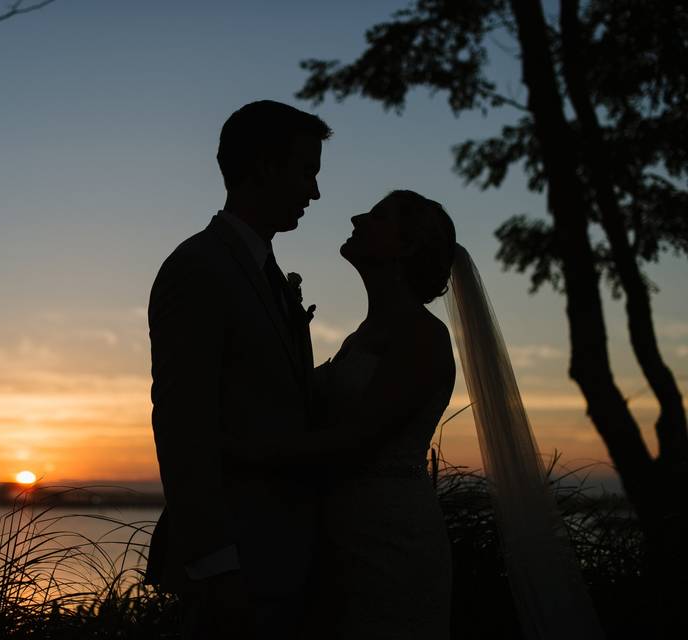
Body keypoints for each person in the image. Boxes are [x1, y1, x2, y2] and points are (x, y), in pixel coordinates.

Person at [228, 189, 604, 639]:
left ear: (406, 247)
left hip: (389, 541)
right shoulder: (361, 336)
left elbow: (356, 439)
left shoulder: (423, 338)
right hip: (337, 537)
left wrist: (243, 451)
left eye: (379, 215)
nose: (357, 215)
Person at [144, 100, 331, 639]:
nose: (314, 192)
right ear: (265, 166)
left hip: (286, 559)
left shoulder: (264, 271)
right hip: (239, 567)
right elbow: (183, 424)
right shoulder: (198, 268)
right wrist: (218, 565)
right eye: (306, 172)